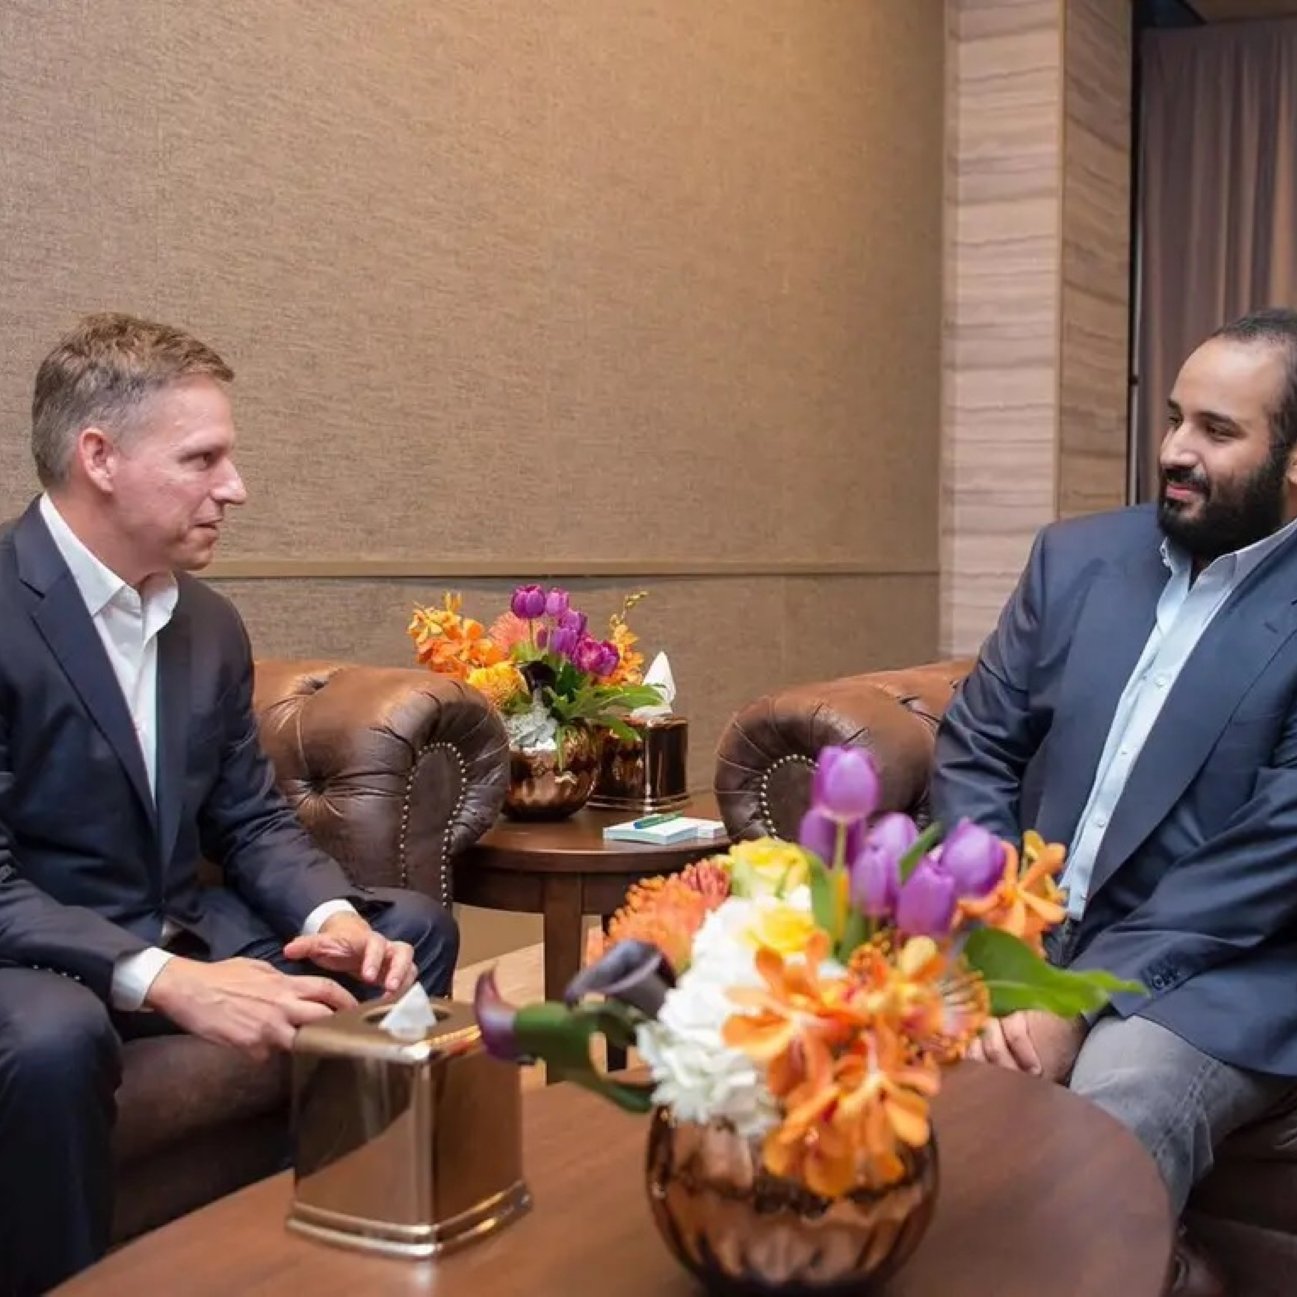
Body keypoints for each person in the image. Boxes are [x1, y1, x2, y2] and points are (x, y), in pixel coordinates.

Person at [0, 313, 459, 1295]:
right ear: (100, 457)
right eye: (203, 458)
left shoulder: (205, 622)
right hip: (39, 958)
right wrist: (158, 977)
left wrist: (331, 917)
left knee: (406, 929)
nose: (235, 488)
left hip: (173, 925)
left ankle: (340, 1242)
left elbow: (247, 818)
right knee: (52, 1038)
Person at [934, 308, 1297, 1282]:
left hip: (1225, 966)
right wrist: (1004, 938)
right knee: (846, 1033)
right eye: (1176, 418)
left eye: (1217, 432)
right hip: (1025, 924)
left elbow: (1268, 860)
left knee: (1110, 1102)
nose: (1176, 450)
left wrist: (1078, 996)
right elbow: (974, 750)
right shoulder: (1074, 558)